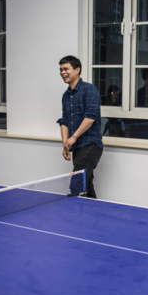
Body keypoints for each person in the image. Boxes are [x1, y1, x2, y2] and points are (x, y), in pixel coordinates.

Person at [57, 55, 103, 199]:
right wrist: (66, 143)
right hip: (77, 147)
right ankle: (92, 217)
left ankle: (74, 218)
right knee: (86, 187)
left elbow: (90, 118)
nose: (62, 72)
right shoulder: (66, 96)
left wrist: (73, 137)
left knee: (76, 185)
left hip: (90, 145)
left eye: (66, 69)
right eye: (60, 70)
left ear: (77, 70)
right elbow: (64, 121)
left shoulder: (89, 89)